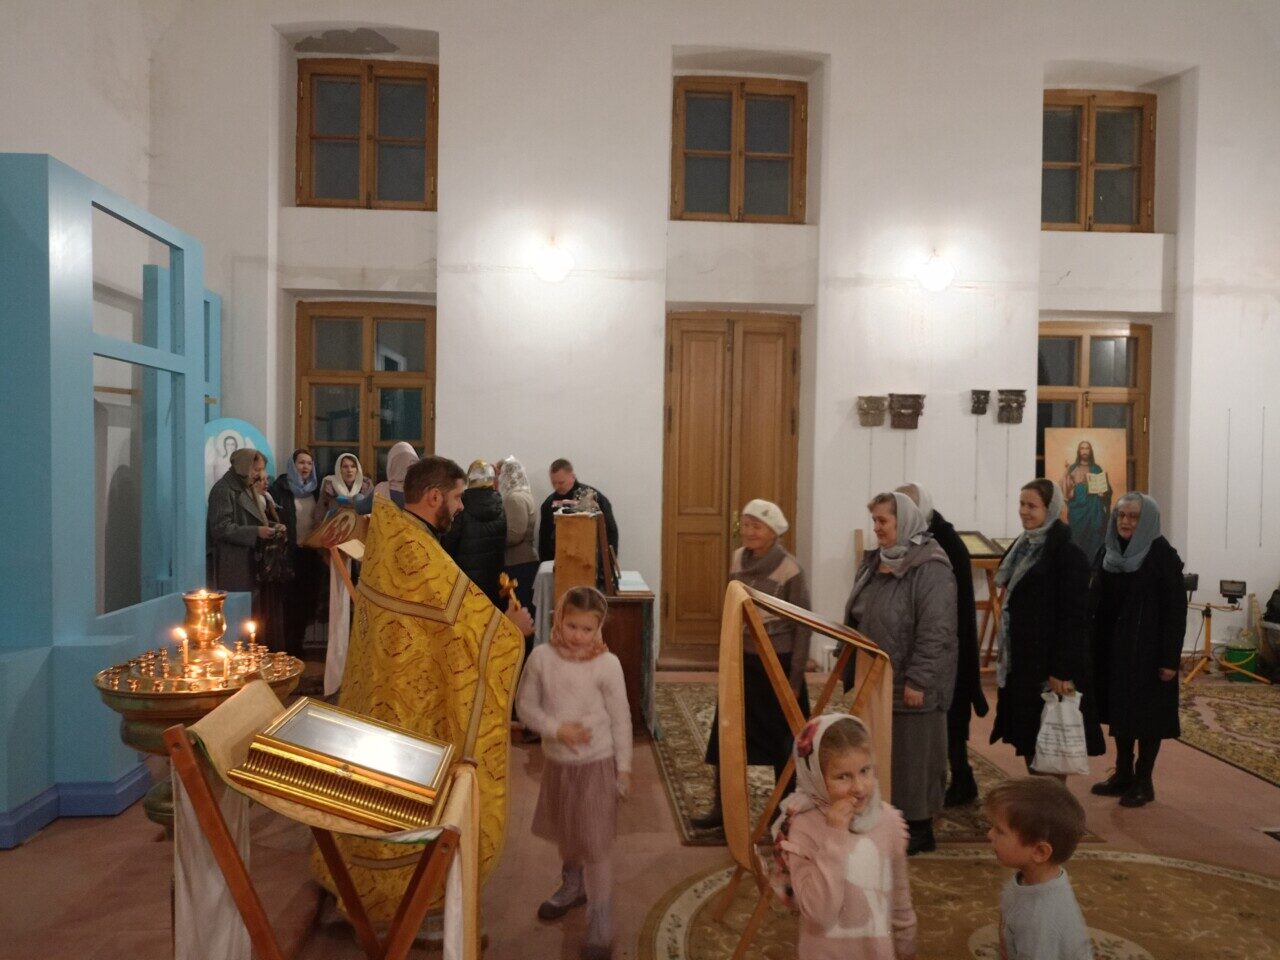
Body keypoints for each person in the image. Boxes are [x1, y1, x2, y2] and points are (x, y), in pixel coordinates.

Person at [310, 454, 529, 924]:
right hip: (406, 705)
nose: (462, 507)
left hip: (380, 690)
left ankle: (362, 877)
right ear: (433, 498)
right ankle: (404, 893)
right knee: (403, 795)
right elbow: (471, 630)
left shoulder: (394, 535)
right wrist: (512, 631)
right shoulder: (417, 552)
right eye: (457, 498)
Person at [515, 586, 631, 960]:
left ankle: (601, 917)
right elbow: (525, 707)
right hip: (559, 765)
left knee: (595, 843)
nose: (579, 636)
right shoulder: (541, 658)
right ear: (559, 619)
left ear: (599, 628)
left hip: (597, 764)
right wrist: (556, 729)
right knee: (567, 833)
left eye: (587, 629)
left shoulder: (607, 665)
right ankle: (573, 885)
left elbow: (621, 718)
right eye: (572, 626)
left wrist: (624, 768)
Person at [842, 492, 957, 855]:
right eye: (874, 521)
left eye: (883, 521)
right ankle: (888, 820)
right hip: (877, 674)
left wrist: (919, 679)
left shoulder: (931, 566)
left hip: (911, 679)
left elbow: (936, 629)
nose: (876, 528)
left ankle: (919, 828)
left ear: (903, 522)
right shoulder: (877, 561)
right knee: (884, 752)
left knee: (914, 756)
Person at [692, 499, 812, 830]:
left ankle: (783, 813)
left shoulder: (790, 569)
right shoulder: (737, 559)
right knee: (727, 734)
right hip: (742, 662)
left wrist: (795, 677)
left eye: (756, 526)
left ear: (773, 531)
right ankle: (722, 809)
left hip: (778, 665)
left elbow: (803, 626)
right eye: (745, 525)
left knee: (784, 742)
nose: (749, 532)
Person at [769, 714, 916, 960]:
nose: (859, 787)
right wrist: (836, 837)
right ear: (815, 777)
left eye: (865, 770)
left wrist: (906, 947)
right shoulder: (802, 828)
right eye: (843, 776)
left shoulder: (889, 821)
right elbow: (818, 914)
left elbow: (900, 898)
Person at [990, 479, 1104, 770]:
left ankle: (1052, 798)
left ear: (1050, 509)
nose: (1024, 511)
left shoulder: (1068, 555)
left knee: (1053, 746)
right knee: (1030, 738)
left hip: (1049, 666)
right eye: (1021, 504)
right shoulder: (1024, 547)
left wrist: (1061, 671)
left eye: (1032, 506)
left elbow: (1074, 619)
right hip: (1025, 663)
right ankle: (1040, 794)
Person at [1088, 493, 1187, 808]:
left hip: (1148, 653)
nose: (1126, 522)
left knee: (1147, 717)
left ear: (1148, 522)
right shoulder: (1108, 551)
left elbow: (1175, 612)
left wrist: (1169, 659)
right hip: (1114, 649)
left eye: (1134, 516)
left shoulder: (1162, 557)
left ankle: (1144, 781)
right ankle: (1123, 774)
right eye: (1121, 515)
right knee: (1121, 712)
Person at [896, 483, 989, 806]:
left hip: (948, 644)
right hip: (932, 642)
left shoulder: (944, 543)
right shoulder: (921, 537)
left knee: (950, 718)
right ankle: (956, 779)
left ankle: (960, 780)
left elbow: (948, 606)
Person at [984, 777, 1093, 960]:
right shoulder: (1029, 879)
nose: (989, 834)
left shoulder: (1041, 921)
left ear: (1040, 852)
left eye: (999, 831)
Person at [270, 448, 325, 658]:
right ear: (293, 465)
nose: (305, 467)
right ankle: (286, 652)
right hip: (288, 554)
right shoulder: (280, 489)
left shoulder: (317, 490)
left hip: (310, 555)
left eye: (309, 463)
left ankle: (298, 649)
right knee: (289, 605)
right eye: (301, 463)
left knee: (307, 604)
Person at [207, 448, 282, 594]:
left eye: (262, 470)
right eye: (256, 469)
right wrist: (256, 532)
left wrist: (273, 526)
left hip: (249, 560)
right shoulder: (223, 490)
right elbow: (220, 528)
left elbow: (253, 517)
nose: (260, 475)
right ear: (243, 466)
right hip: (232, 562)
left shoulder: (246, 486)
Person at [441, 460, 508, 607]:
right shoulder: (500, 506)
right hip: (494, 580)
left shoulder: (462, 506)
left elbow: (449, 545)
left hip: (466, 583)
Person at [538, 458, 619, 562]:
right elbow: (544, 540)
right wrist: (546, 564)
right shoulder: (548, 504)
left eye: (561, 483)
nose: (557, 487)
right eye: (554, 483)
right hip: (561, 562)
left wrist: (608, 562)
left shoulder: (593, 498)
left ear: (572, 477)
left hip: (592, 561)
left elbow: (610, 531)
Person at [497, 456, 539, 615]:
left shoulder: (514, 498)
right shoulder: (523, 494)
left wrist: (493, 540)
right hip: (523, 560)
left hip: (519, 562)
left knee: (518, 607)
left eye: (498, 474)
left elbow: (515, 534)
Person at [1062, 441, 1112, 565]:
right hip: (1077, 509)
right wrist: (1068, 477)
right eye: (1082, 448)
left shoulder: (1096, 468)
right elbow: (1066, 491)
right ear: (1079, 451)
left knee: (1094, 537)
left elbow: (1106, 489)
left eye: (1087, 448)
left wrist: (1103, 493)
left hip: (1094, 508)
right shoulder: (1072, 468)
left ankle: (1093, 564)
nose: (1084, 451)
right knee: (1076, 537)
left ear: (1090, 451)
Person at [313, 452, 372, 524]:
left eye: (353, 466)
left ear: (357, 469)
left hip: (359, 526)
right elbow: (320, 511)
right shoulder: (330, 485)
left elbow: (373, 510)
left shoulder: (366, 485)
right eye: (345, 467)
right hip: (334, 526)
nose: (349, 470)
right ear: (339, 469)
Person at [364, 440, 418, 510]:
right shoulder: (424, 491)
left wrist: (356, 496)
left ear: (391, 464)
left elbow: (361, 507)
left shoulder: (381, 489)